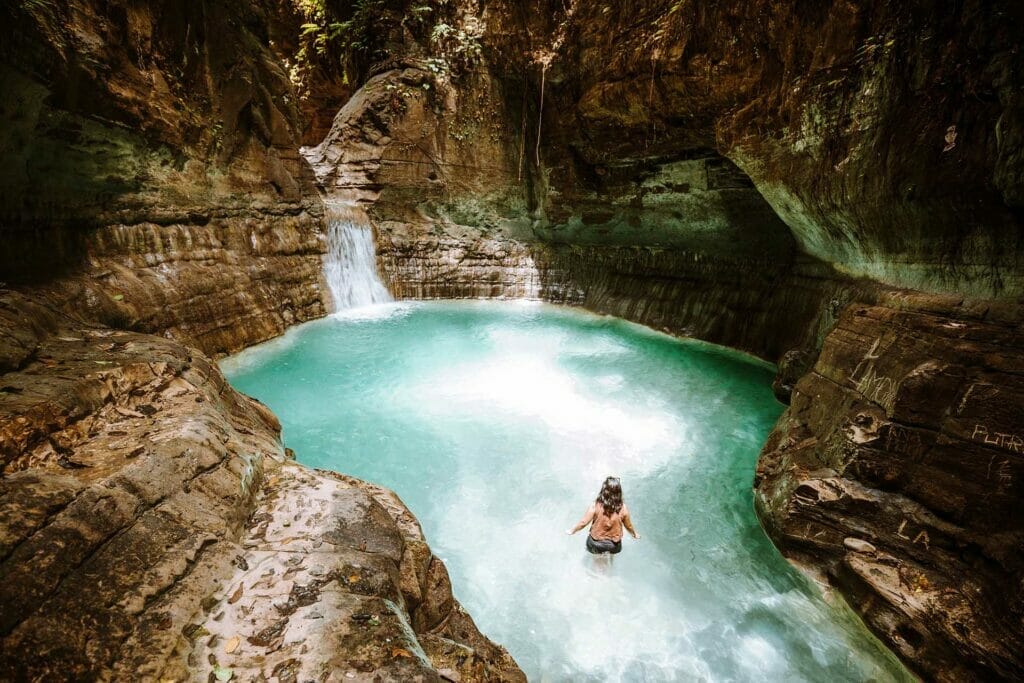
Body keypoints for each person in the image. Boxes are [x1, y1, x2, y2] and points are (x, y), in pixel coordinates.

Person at [566, 476, 640, 554]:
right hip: (614, 546)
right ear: (619, 492)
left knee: (598, 561)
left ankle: (599, 561)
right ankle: (610, 561)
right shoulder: (623, 507)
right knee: (610, 557)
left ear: (604, 490)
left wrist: (572, 531)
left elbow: (583, 523)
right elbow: (628, 526)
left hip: (596, 544)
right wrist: (634, 534)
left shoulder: (595, 505)